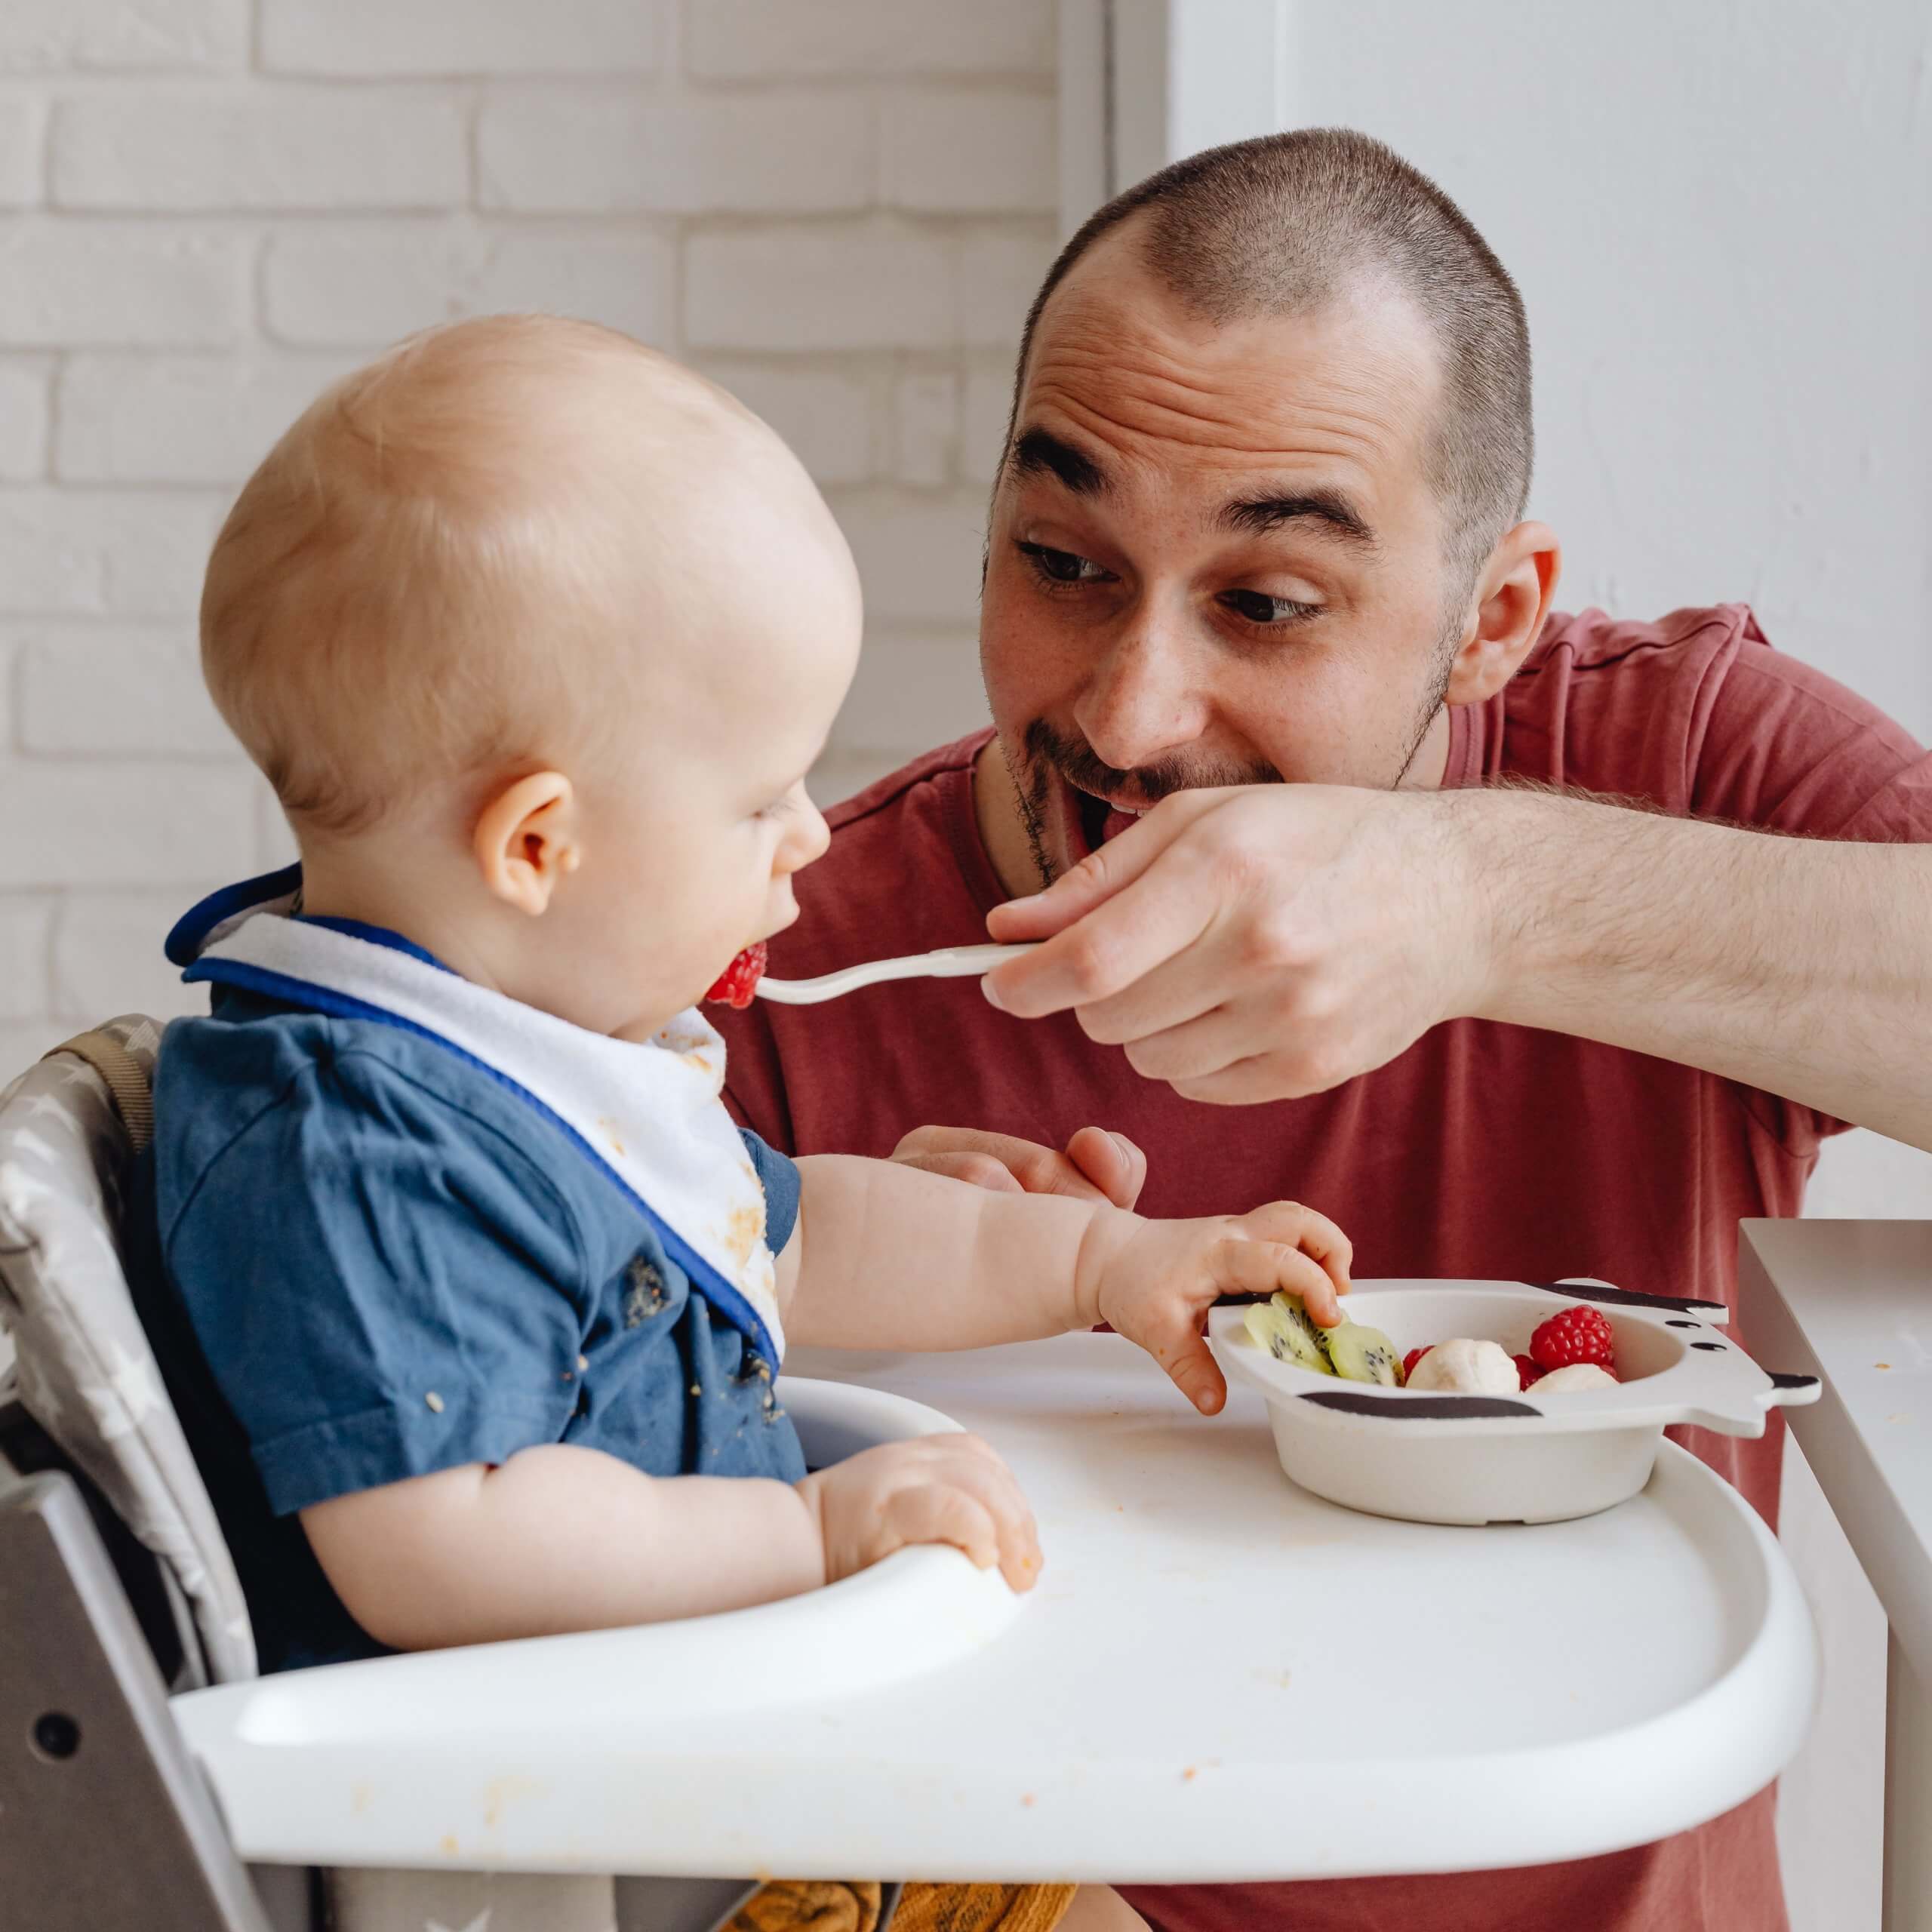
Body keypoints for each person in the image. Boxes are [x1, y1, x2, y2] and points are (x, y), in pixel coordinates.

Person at [713, 130, 1932, 1932]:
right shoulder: (767, 954)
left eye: (1264, 604)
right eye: (1061, 561)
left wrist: (1485, 906)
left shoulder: (1682, 760)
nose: (1128, 713)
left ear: (1490, 619)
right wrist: (826, 1313)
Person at [129, 316, 1360, 1932]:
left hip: (744, 1785)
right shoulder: (358, 1140)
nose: (808, 837)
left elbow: (807, 1231)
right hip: (594, 1859)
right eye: (760, 795)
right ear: (538, 844)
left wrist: (1099, 1261)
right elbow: (445, 1541)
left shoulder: (547, 1056)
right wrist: (809, 1528)